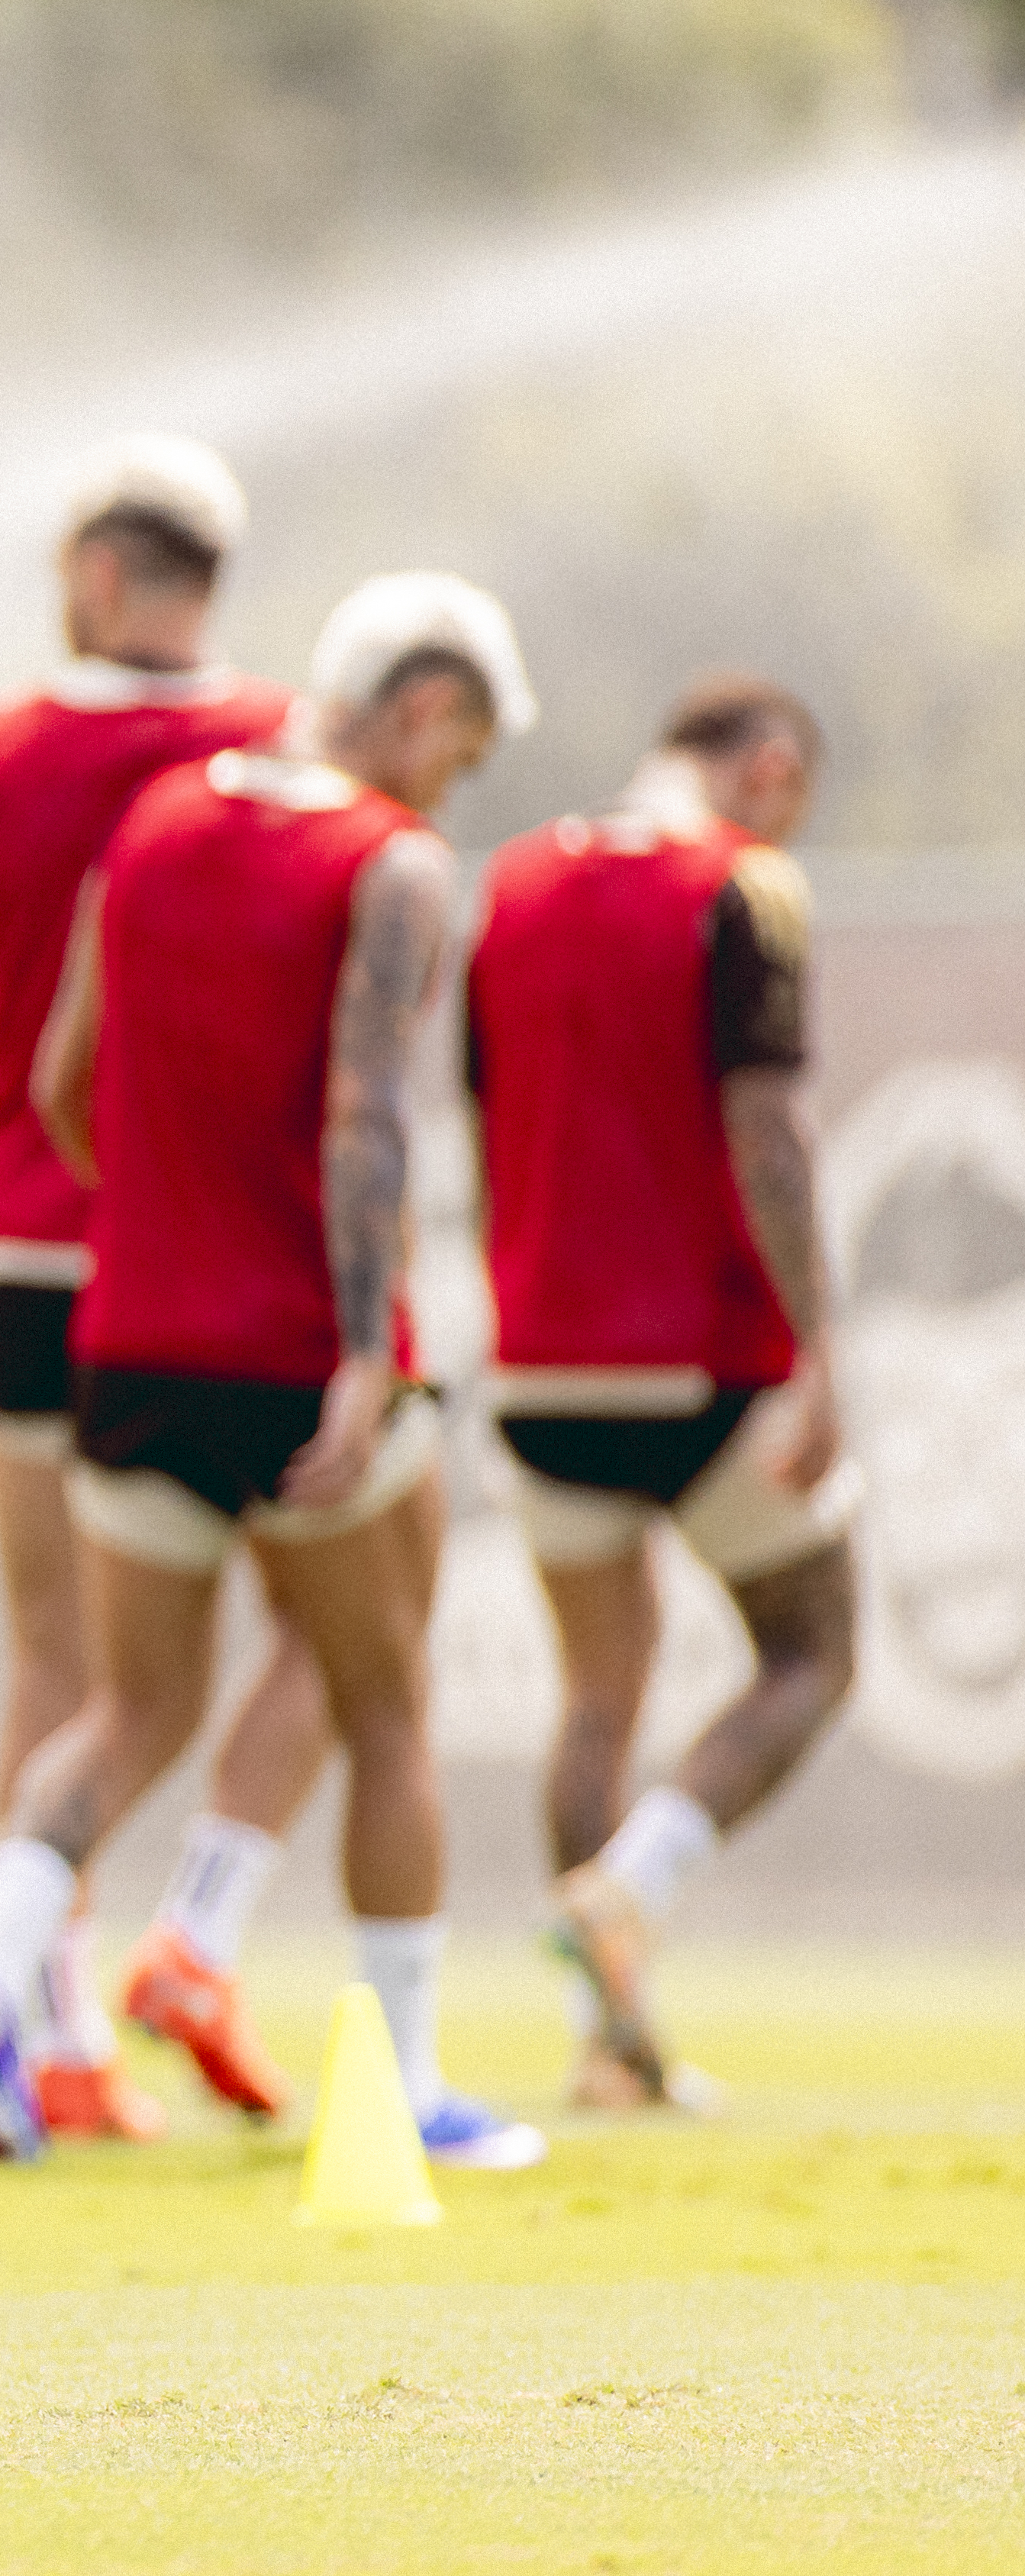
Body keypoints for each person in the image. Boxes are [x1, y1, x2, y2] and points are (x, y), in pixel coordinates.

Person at [0, 572, 546, 2174]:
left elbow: (65, 1076)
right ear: (421, 708)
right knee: (383, 1697)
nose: (449, 788)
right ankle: (397, 2086)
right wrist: (353, 1352)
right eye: (461, 751)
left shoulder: (153, 823)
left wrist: (149, 1218)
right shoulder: (391, 864)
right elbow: (366, 1117)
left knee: (127, 1709)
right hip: (289, 1352)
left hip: (129, 1334)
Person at [0, 439, 333, 2137]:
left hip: (22, 1247)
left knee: (53, 1658)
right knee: (336, 1630)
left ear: (95, 567)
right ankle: (205, 1937)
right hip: (210, 1271)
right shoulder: (279, 747)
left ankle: (47, 2019)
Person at [467, 676, 857, 2110]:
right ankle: (631, 1888)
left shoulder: (505, 886)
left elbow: (473, 1103)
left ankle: (604, 2051)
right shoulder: (743, 890)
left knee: (594, 1699)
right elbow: (767, 1127)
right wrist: (822, 1355)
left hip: (539, 1359)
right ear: (764, 766)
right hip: (702, 1363)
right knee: (812, 1650)